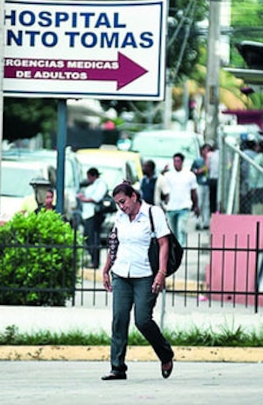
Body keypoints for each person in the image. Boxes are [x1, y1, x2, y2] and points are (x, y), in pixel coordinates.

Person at [100, 182, 174, 381]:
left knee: (142, 320)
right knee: (119, 319)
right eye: (117, 203)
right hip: (122, 274)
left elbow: (164, 243)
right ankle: (117, 368)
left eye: (123, 201)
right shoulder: (120, 216)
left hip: (145, 275)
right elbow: (115, 243)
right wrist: (106, 268)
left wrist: (161, 272)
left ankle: (165, 354)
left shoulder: (153, 213)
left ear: (134, 196)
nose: (121, 206)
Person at [160, 152, 199, 246]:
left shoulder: (190, 175)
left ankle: (181, 247)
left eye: (178, 161)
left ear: (182, 162)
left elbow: (193, 191)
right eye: (175, 161)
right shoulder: (168, 175)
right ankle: (174, 249)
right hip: (171, 207)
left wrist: (196, 205)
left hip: (184, 206)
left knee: (181, 228)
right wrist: (162, 172)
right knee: (172, 231)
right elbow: (160, 185)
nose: (176, 163)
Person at [76, 167, 108, 269]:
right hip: (87, 214)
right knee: (88, 236)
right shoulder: (93, 184)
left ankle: (95, 261)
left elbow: (96, 198)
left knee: (93, 238)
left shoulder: (100, 184)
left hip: (94, 214)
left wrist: (84, 199)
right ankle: (92, 258)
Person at [191, 145, 212, 229]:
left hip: (207, 184)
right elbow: (192, 170)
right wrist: (199, 171)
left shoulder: (211, 160)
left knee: (207, 204)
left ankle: (206, 222)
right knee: (199, 203)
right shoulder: (198, 161)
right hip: (199, 183)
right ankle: (198, 221)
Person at [207, 144, 219, 214]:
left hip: (212, 178)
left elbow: (207, 167)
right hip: (221, 179)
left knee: (212, 198)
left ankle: (213, 212)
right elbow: (229, 165)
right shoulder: (226, 154)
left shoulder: (210, 155)